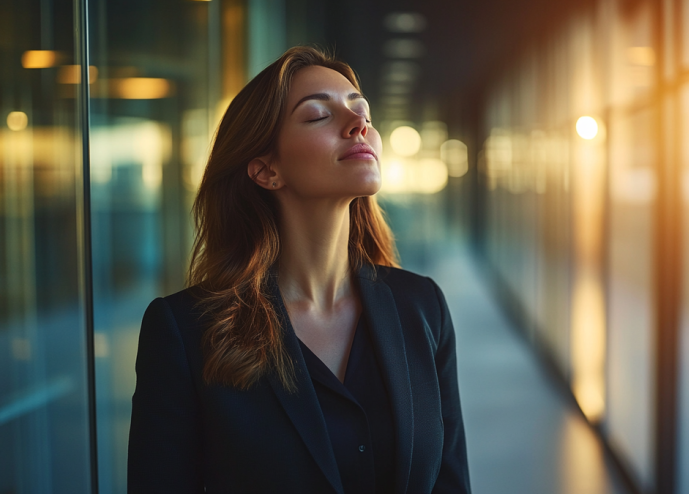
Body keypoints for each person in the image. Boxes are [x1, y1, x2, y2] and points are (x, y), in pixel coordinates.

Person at [127, 45, 470, 494]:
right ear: (266, 170)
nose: (359, 124)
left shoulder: (423, 306)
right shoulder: (184, 331)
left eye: (361, 110)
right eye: (318, 116)